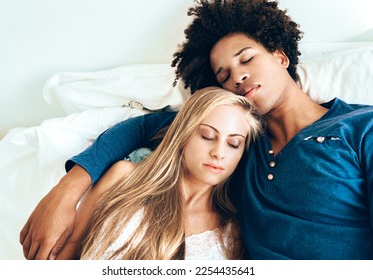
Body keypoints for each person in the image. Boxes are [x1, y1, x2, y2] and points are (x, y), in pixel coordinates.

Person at [20, 0, 373, 260]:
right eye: (224, 75)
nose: (237, 76)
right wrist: (66, 192)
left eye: (247, 59)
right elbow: (139, 128)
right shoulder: (235, 137)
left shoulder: (360, 127)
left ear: (281, 56)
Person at [52, 87, 262, 259]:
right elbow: (68, 254)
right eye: (207, 136)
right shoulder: (123, 178)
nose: (219, 153)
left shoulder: (232, 231)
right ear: (183, 135)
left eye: (234, 144)